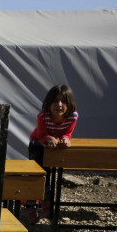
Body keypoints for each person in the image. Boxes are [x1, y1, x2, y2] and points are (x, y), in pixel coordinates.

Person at [26, 84, 78, 224]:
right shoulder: (43, 116)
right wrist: (48, 138)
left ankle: (46, 201)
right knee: (36, 175)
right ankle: (31, 206)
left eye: (63, 101)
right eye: (55, 101)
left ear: (69, 104)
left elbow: (68, 132)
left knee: (49, 175)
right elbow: (42, 135)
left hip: (53, 148)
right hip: (38, 145)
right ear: (49, 103)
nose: (59, 105)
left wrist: (66, 139)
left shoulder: (72, 117)